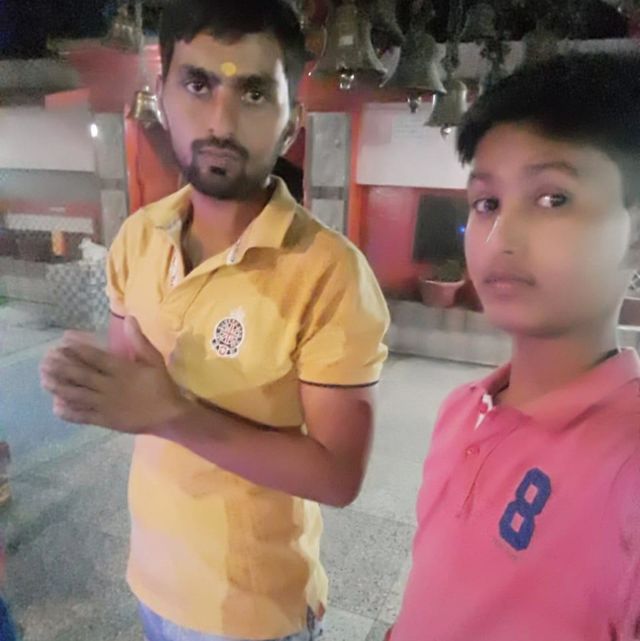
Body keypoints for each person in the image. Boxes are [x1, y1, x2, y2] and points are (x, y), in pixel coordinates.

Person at [39, 1, 389, 640]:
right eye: (198, 84)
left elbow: (338, 476)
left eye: (254, 93)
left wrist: (174, 411)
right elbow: (132, 385)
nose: (221, 122)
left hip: (254, 612)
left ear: (292, 122)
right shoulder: (139, 237)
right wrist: (88, 379)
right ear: (162, 96)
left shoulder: (330, 275)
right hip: (152, 582)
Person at [389, 53, 640, 641]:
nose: (501, 237)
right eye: (487, 203)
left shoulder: (629, 465)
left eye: (553, 198)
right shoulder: (461, 410)